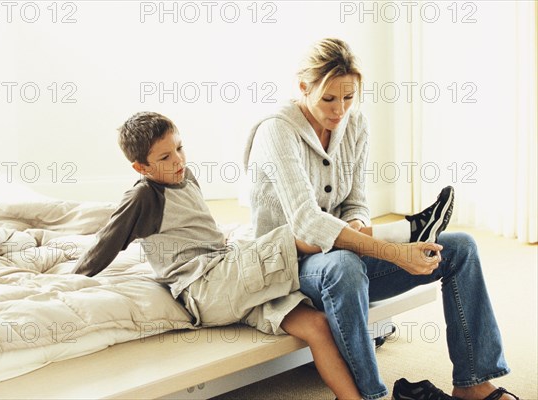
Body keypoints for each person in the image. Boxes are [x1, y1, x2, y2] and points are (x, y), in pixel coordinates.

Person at [244, 38, 518, 400]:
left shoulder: (354, 123)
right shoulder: (277, 131)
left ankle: (473, 382)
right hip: (290, 266)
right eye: (328, 99)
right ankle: (370, 396)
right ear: (303, 88)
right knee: (343, 266)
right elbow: (307, 223)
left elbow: (356, 201)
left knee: (460, 248)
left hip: (345, 253)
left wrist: (358, 223)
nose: (340, 109)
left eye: (348, 97)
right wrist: (392, 251)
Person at [72, 111, 363, 399]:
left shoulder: (186, 176)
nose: (178, 160)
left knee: (316, 325)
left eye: (179, 148)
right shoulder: (144, 196)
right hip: (205, 287)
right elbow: (106, 242)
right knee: (293, 237)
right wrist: (76, 279)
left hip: (230, 279)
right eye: (164, 158)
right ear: (141, 168)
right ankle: (381, 244)